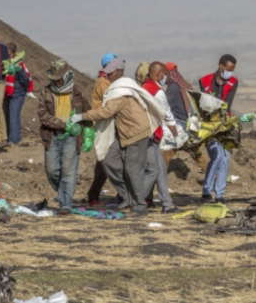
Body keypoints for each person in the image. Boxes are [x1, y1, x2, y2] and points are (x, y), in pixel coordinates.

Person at [72, 58, 165, 217]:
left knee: (132, 169)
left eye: (110, 73)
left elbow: (105, 112)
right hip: (123, 132)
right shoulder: (118, 88)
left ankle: (140, 206)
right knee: (109, 160)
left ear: (119, 72)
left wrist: (82, 116)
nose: (106, 76)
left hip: (136, 133)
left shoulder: (121, 91)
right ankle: (128, 196)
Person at [38, 60, 91, 215]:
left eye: (60, 78)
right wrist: (62, 125)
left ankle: (65, 204)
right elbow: (42, 114)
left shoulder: (78, 92)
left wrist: (88, 131)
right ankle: (63, 193)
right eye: (54, 79)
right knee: (52, 170)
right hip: (52, 136)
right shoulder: (46, 92)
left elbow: (87, 112)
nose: (57, 81)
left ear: (67, 75)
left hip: (72, 139)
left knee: (68, 171)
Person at [140, 62, 181, 213]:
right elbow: (168, 116)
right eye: (165, 75)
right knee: (154, 170)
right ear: (158, 74)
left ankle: (167, 204)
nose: (166, 78)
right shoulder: (158, 92)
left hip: (147, 134)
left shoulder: (144, 88)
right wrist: (177, 136)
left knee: (161, 169)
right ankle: (136, 200)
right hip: (148, 136)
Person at [198, 54, 239, 204]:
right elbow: (205, 103)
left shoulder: (233, 82)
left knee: (226, 159)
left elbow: (227, 104)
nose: (230, 73)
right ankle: (207, 192)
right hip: (209, 125)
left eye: (232, 70)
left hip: (225, 124)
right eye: (228, 69)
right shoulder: (205, 81)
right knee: (217, 157)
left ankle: (220, 194)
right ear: (221, 66)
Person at [162, 62, 210, 172]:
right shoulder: (184, 84)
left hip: (178, 127)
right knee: (197, 155)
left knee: (164, 156)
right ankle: (214, 177)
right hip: (189, 127)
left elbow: (164, 106)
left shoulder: (173, 87)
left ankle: (157, 181)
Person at [86, 53, 118, 207]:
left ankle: (120, 194)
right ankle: (93, 195)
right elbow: (113, 100)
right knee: (104, 163)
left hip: (110, 125)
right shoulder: (103, 83)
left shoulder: (107, 81)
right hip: (103, 126)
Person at [4, 43, 31, 145]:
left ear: (10, 51)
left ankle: (14, 141)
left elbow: (25, 79)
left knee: (14, 118)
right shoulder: (8, 63)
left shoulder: (17, 64)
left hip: (17, 95)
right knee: (11, 117)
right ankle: (11, 138)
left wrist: (24, 90)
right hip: (11, 95)